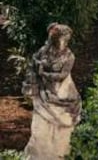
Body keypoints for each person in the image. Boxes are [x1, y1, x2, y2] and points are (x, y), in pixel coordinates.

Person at [23, 23, 81, 159]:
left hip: (62, 92)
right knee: (41, 127)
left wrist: (45, 74)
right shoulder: (44, 51)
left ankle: (59, 153)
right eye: (62, 39)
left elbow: (62, 76)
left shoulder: (69, 56)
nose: (64, 42)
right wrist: (37, 68)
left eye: (67, 40)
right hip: (44, 93)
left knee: (63, 127)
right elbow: (33, 62)